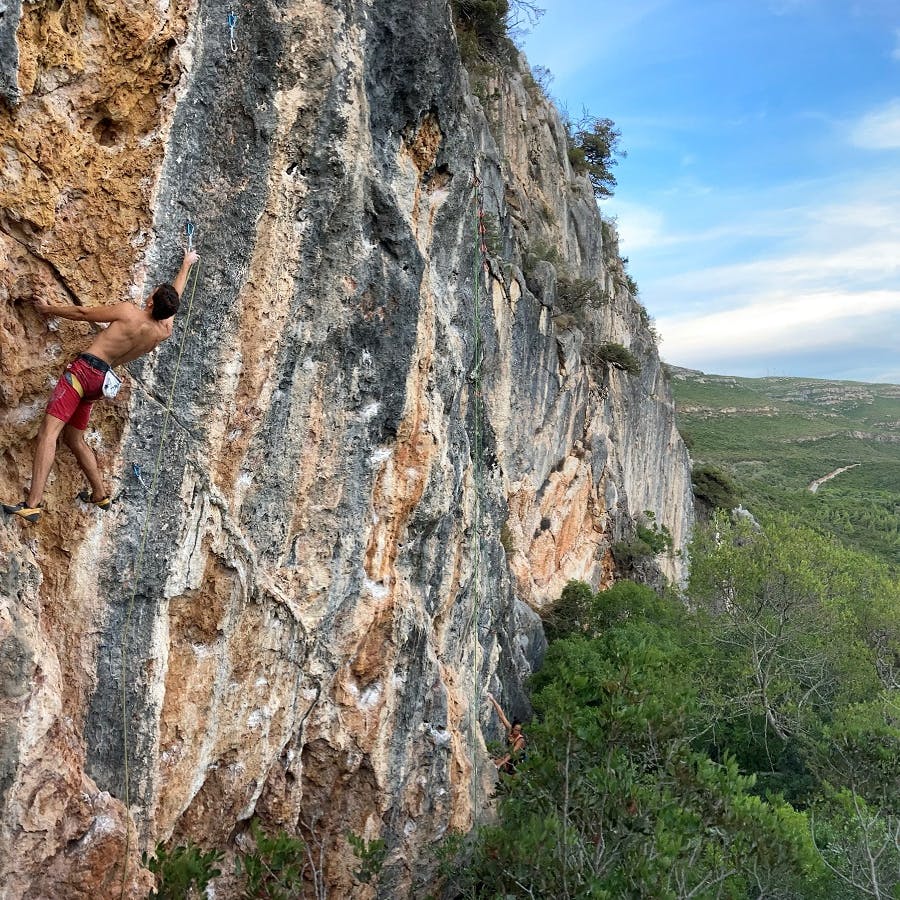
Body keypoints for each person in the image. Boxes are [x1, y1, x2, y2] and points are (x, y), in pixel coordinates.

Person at [3, 248, 199, 524]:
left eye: (152, 293)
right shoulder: (162, 331)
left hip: (84, 372)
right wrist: (186, 265)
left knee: (48, 433)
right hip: (102, 383)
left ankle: (32, 504)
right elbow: (173, 301)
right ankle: (100, 493)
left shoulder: (129, 313)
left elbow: (83, 312)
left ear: (152, 303)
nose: (149, 294)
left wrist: (49, 308)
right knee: (73, 439)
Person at [487, 692, 526, 775]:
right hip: (508, 760)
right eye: (515, 729)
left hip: (518, 763)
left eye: (519, 730)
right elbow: (501, 715)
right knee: (491, 763)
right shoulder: (510, 729)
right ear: (513, 728)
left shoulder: (520, 740)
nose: (516, 732)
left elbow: (512, 753)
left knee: (498, 765)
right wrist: (492, 699)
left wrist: (500, 765)